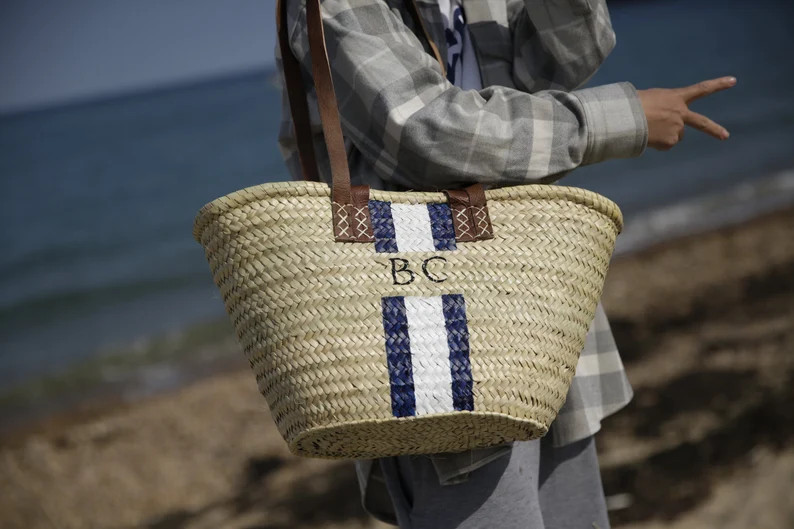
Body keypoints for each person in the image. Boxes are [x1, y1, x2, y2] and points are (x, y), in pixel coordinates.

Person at [277, 0, 734, 527]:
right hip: (431, 338)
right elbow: (425, 133)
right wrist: (617, 119)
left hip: (539, 315)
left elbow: (565, 57)